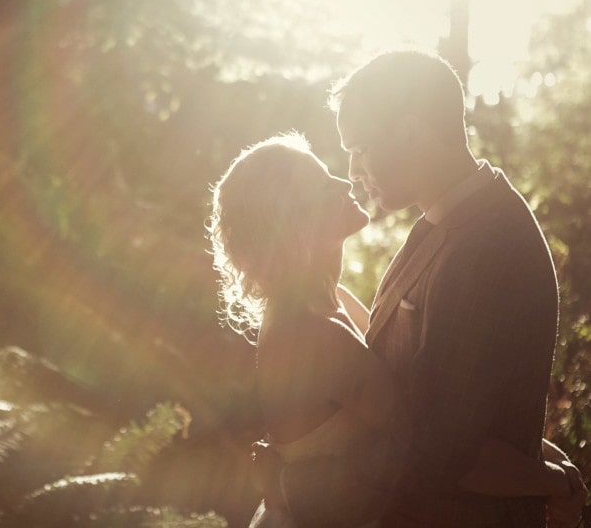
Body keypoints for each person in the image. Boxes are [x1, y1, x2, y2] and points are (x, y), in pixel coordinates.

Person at [327, 48, 587, 527]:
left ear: (412, 130)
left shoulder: (487, 247)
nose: (353, 172)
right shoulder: (442, 220)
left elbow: (449, 450)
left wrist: (556, 484)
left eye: (360, 148)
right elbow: (453, 401)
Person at [208, 132, 411, 527]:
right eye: (323, 185)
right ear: (295, 221)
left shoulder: (328, 299)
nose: (345, 182)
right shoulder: (312, 335)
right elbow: (417, 442)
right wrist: (539, 476)